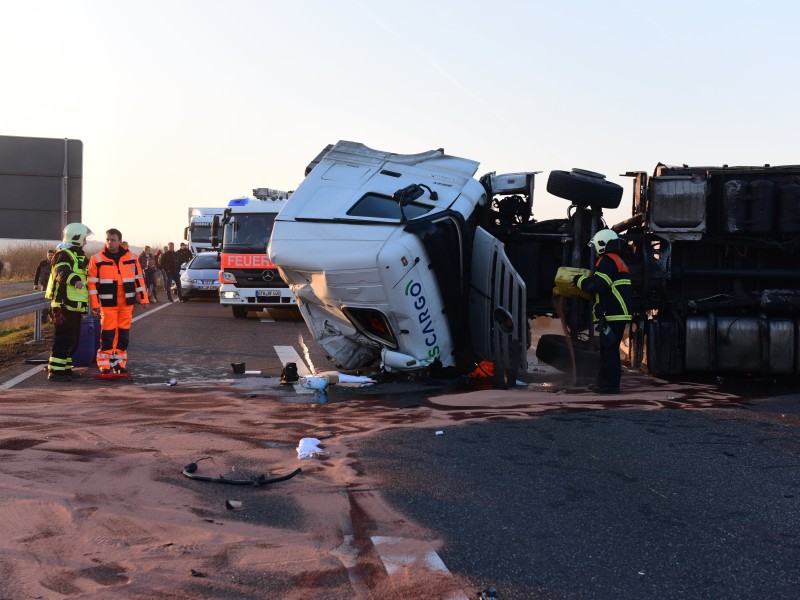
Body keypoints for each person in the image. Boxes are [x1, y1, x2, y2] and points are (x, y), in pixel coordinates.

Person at [573, 229, 632, 394]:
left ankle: (611, 385)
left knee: (610, 350)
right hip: (616, 313)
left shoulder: (607, 260)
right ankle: (603, 382)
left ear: (601, 244)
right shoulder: (616, 260)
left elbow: (598, 285)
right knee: (606, 350)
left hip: (614, 314)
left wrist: (579, 281)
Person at [87, 228, 149, 375]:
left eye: (113, 240)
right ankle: (105, 365)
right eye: (107, 239)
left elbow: (139, 280)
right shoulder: (97, 259)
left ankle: (119, 364)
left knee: (123, 335)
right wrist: (95, 304)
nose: (109, 242)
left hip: (126, 302)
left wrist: (143, 298)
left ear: (119, 241)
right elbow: (92, 285)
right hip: (108, 303)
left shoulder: (132, 257)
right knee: (108, 335)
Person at [45, 224, 92, 382]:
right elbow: (61, 272)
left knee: (73, 338)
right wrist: (75, 279)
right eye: (84, 238)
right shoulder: (63, 254)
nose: (85, 242)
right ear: (76, 237)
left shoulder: (78, 255)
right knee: (64, 338)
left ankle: (65, 369)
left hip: (74, 304)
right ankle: (55, 372)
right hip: (63, 305)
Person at [34, 249, 56, 322]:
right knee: (44, 302)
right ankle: (43, 318)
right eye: (49, 255)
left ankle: (52, 317)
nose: (50, 256)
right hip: (44, 285)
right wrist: (35, 284)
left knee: (52, 302)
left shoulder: (56, 263)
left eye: (52, 255)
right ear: (47, 255)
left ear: (54, 255)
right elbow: (37, 274)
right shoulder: (42, 263)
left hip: (53, 286)